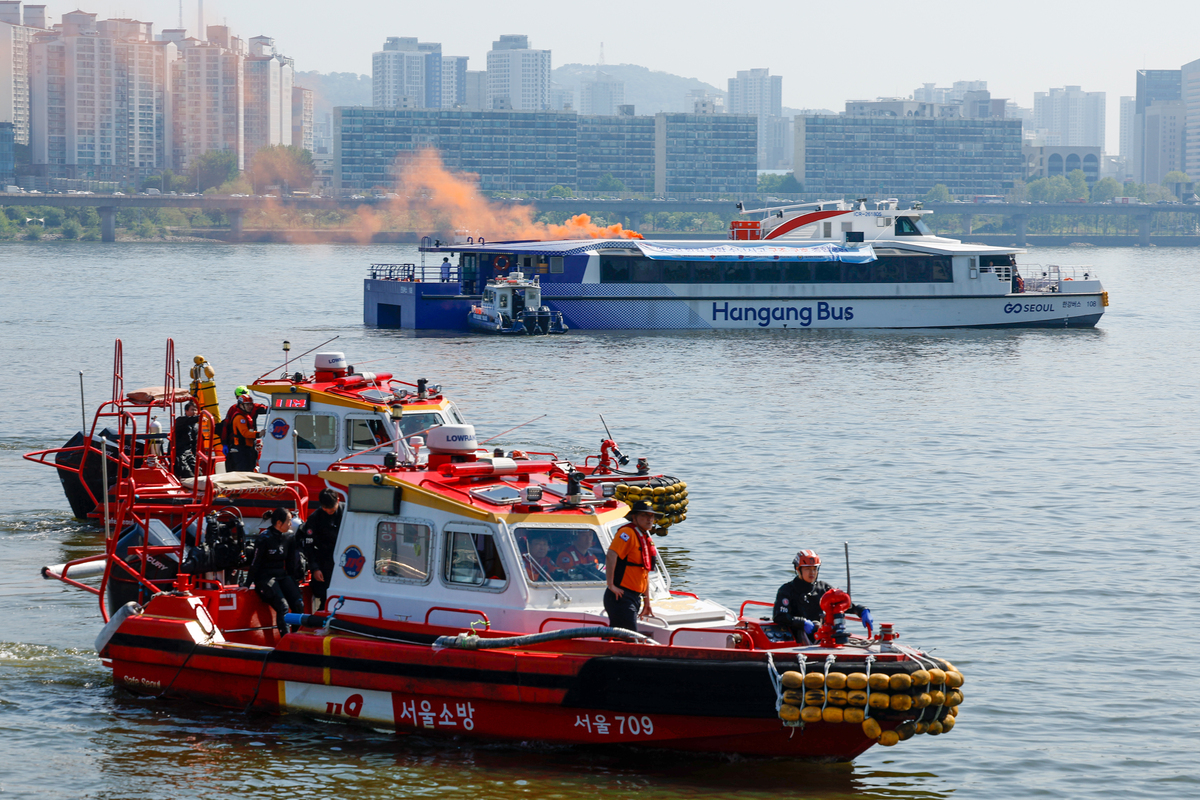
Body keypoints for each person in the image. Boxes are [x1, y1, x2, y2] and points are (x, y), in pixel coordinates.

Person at [772, 550, 873, 643]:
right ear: (798, 569)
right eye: (807, 569)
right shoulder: (787, 590)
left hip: (824, 637)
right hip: (798, 639)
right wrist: (802, 623)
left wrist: (862, 610)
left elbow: (843, 604)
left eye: (814, 569)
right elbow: (779, 616)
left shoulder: (823, 588)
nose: (812, 572)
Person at [247, 508, 304, 636]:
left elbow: (290, 562)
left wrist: (294, 582)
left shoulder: (289, 537)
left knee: (298, 604)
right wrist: (247, 584)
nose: (290, 524)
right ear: (279, 523)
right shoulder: (264, 538)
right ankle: (285, 639)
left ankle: (296, 636)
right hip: (265, 578)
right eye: (288, 521)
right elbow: (255, 563)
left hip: (281, 575)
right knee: (283, 606)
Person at [604, 500, 659, 631]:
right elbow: (611, 555)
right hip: (621, 596)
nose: (649, 519)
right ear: (634, 517)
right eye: (644, 515)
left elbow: (644, 572)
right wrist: (611, 585)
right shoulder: (627, 533)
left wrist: (647, 602)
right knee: (628, 636)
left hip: (634, 597)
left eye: (651, 516)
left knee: (623, 637)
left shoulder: (643, 536)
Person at [297, 488, 343, 610]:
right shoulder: (315, 518)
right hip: (325, 560)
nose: (328, 511)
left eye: (331, 509)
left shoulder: (347, 512)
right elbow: (309, 545)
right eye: (325, 508)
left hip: (345, 558)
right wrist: (315, 568)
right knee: (324, 594)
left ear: (338, 501)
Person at [224, 386, 265, 473]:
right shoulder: (240, 417)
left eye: (250, 404)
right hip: (241, 449)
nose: (250, 407)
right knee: (243, 471)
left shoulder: (246, 415)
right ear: (241, 405)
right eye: (247, 405)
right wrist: (259, 434)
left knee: (250, 468)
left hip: (248, 447)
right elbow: (245, 433)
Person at [173, 400, 200, 479]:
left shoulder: (195, 426)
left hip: (188, 452)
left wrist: (195, 456)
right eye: (192, 410)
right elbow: (189, 420)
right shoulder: (180, 420)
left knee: (198, 471)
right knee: (187, 473)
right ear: (186, 411)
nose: (194, 412)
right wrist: (199, 418)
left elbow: (195, 443)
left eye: (195, 410)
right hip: (178, 453)